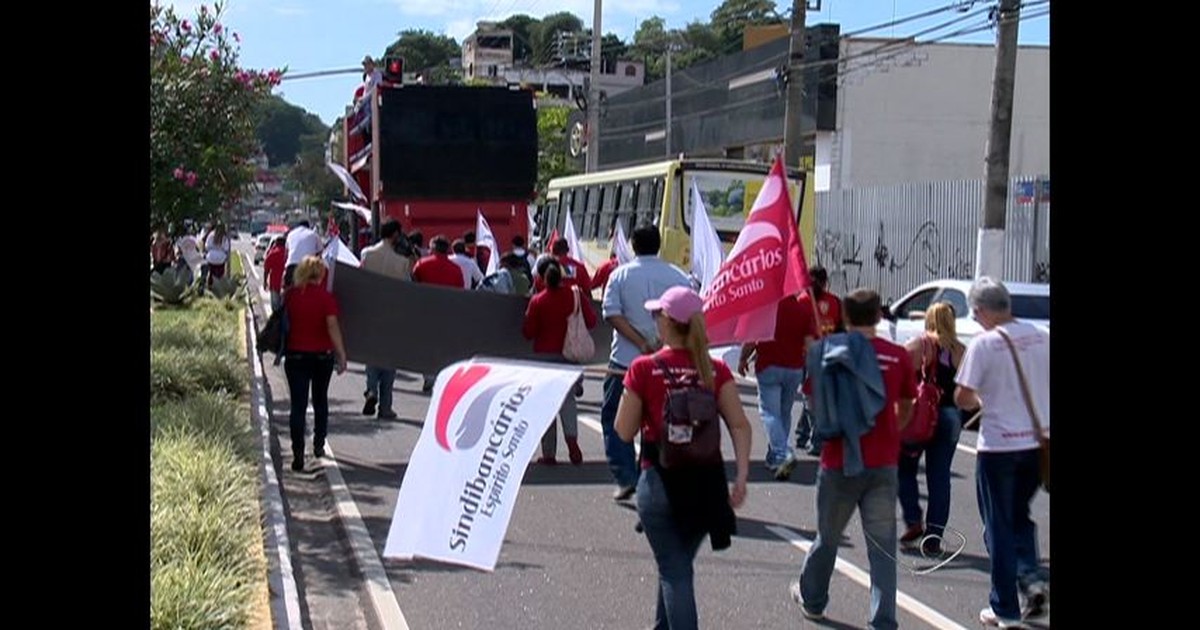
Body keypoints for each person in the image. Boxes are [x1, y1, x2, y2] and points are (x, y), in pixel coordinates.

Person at [615, 286, 752, 630]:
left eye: (656, 314)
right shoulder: (715, 370)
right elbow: (740, 424)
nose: (654, 321)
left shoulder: (644, 368)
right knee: (677, 566)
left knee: (674, 571)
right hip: (707, 484)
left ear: (667, 323)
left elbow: (623, 430)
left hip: (660, 480)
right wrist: (742, 477)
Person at [791, 288, 916, 630]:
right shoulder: (897, 356)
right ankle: (882, 620)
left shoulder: (827, 353)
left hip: (838, 461)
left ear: (844, 316)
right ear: (879, 317)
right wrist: (891, 429)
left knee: (827, 538)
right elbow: (907, 405)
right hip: (883, 461)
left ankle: (813, 600)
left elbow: (816, 406)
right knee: (882, 548)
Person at [954, 278, 1050, 627]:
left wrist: (984, 399)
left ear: (981, 311)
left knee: (998, 524)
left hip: (998, 446)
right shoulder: (1041, 335)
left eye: (975, 314)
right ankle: (1031, 578)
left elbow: (963, 397)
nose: (976, 320)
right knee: (1020, 516)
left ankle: (1004, 607)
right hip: (1036, 444)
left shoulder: (984, 345)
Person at [600, 225, 692, 501]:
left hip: (624, 363)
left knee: (616, 420)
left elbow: (612, 314)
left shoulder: (620, 275)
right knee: (662, 424)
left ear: (633, 245)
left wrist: (640, 342)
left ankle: (627, 476)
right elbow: (689, 317)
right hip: (668, 364)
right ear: (659, 245)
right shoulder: (678, 276)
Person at [898, 302, 968, 556]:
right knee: (940, 477)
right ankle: (934, 535)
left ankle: (914, 519)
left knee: (904, 467)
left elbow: (898, 375)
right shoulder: (961, 351)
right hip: (950, 416)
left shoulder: (919, 345)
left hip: (920, 415)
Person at [737, 289, 819, 481]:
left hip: (769, 365)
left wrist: (742, 360)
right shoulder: (803, 309)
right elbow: (809, 344)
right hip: (794, 368)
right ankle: (774, 455)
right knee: (783, 412)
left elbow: (751, 340)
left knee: (769, 413)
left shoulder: (766, 308)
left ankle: (782, 454)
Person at [523, 259, 596, 465]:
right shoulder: (575, 294)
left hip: (544, 357)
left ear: (541, 277)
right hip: (569, 356)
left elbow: (528, 332)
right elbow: (591, 321)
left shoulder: (538, 301)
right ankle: (572, 443)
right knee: (568, 400)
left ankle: (549, 453)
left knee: (546, 406)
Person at [283, 256, 348, 472]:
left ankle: (297, 452)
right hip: (322, 356)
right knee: (320, 400)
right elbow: (332, 326)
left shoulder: (291, 295)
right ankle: (319, 444)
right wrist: (341, 354)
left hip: (295, 356)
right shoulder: (326, 298)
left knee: (298, 405)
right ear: (320, 274)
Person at [358, 220, 413, 420]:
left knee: (372, 357)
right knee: (389, 361)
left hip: (370, 313)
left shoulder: (367, 254)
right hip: (393, 315)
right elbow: (408, 288)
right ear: (395, 235)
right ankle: (385, 406)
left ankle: (371, 389)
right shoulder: (401, 262)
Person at [794, 265, 844, 452]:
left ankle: (804, 434)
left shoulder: (829, 302)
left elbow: (840, 329)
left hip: (819, 356)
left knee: (812, 397)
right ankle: (813, 438)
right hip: (809, 356)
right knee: (812, 398)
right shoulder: (804, 301)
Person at [285, 221, 322, 289]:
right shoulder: (314, 234)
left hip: (291, 265)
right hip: (307, 267)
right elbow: (320, 253)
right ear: (308, 226)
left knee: (288, 290)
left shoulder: (290, 234)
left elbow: (286, 253)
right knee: (307, 290)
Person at [262, 236, 287, 312]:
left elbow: (266, 269)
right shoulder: (289, 253)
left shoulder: (272, 253)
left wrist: (265, 281)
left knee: (275, 307)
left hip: (274, 284)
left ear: (276, 243)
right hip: (286, 284)